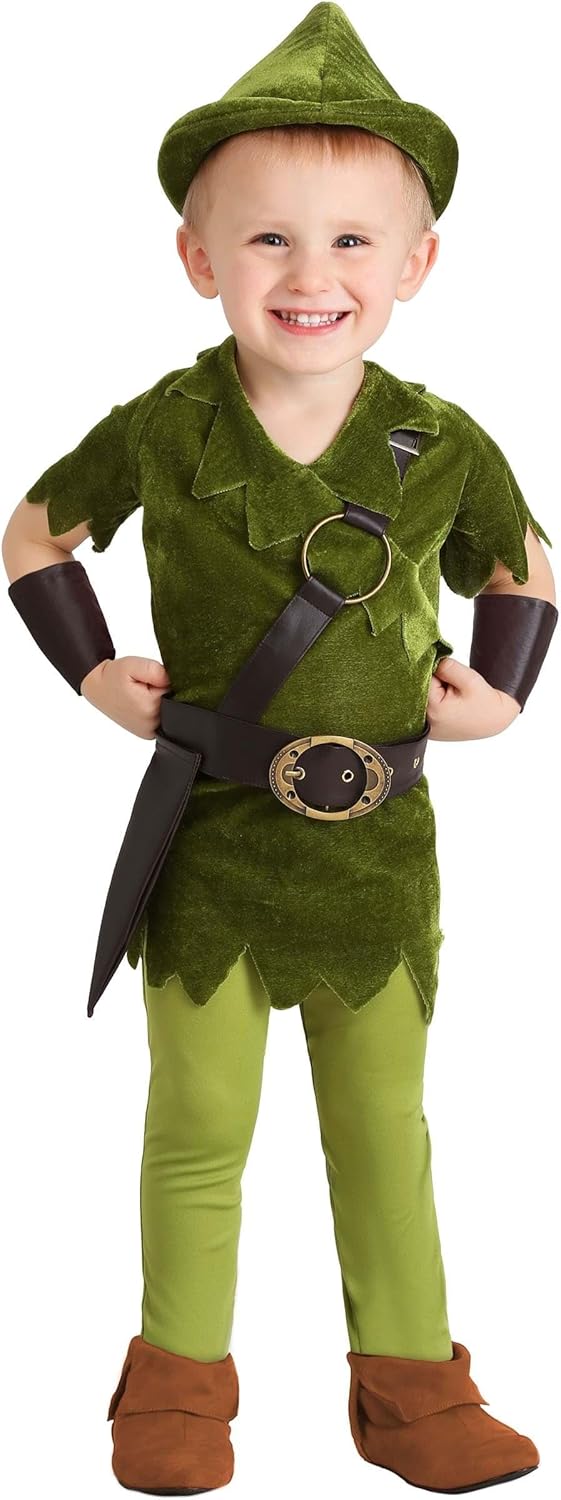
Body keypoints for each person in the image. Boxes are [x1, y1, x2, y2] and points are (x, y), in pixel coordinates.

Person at [3, 3, 557, 1494]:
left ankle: (412, 1388)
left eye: (352, 242)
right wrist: (90, 672)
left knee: (381, 1127)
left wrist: (504, 693)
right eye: (267, 241)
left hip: (376, 851)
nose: (311, 278)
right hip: (213, 838)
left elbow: (524, 564)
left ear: (417, 264)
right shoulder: (166, 425)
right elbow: (35, 532)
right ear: (199, 258)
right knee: (199, 1121)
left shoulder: (441, 443)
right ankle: (177, 1385)